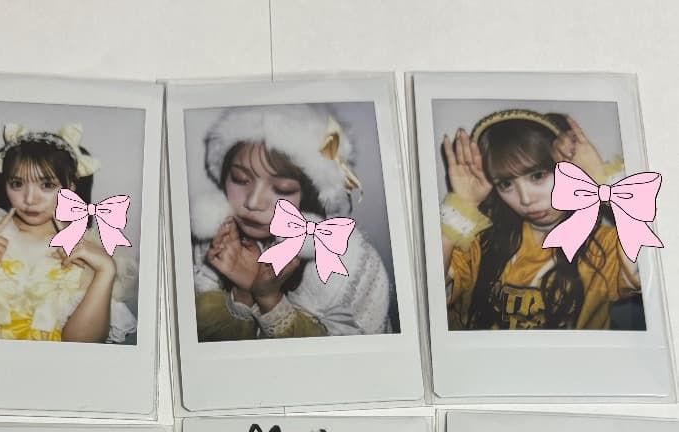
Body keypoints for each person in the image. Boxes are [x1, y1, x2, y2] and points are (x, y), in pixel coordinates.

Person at [190, 105, 393, 340]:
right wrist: (244, 294)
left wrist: (269, 299)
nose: (253, 202)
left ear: (311, 196)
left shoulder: (354, 266)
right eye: (240, 179)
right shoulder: (210, 247)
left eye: (282, 189)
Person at [0, 123, 137, 343]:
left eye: (46, 185)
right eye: (17, 183)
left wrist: (105, 270)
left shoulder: (92, 249)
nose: (29, 199)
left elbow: (82, 346)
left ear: (71, 186)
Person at [439, 109, 642, 330]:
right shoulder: (480, 241)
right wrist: (461, 207)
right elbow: (426, 294)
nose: (525, 199)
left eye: (537, 176)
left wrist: (603, 181)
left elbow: (657, 276)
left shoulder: (604, 246)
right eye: (506, 184)